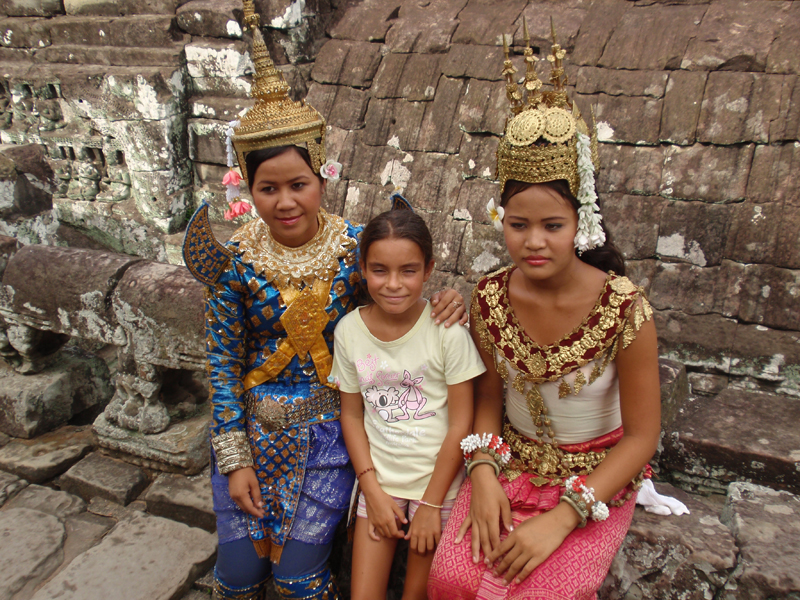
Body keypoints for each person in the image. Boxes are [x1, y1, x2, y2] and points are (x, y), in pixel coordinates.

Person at [182, 4, 467, 599]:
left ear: (321, 179)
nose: (285, 201)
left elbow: (399, 293)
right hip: (251, 434)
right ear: (248, 188)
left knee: (297, 580)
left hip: (331, 434)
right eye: (268, 188)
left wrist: (449, 302)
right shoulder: (236, 265)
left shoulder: (351, 255)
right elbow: (224, 366)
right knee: (237, 577)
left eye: (298, 184)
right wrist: (234, 457)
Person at [427, 25, 661, 600]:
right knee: (452, 577)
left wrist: (565, 516)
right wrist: (481, 474)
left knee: (547, 593)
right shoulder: (489, 298)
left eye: (553, 226)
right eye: (518, 224)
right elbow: (486, 402)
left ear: (582, 222)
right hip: (508, 463)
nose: (534, 242)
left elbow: (642, 437)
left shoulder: (625, 308)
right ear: (499, 221)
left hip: (597, 477)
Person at [330, 207, 486, 600]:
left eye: (408, 271)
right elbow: (351, 414)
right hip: (379, 483)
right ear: (363, 268)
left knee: (416, 593)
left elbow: (460, 424)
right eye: (379, 270)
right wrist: (374, 493)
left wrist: (432, 504)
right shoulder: (349, 331)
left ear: (429, 269)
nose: (393, 284)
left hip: (438, 487)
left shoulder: (446, 333)